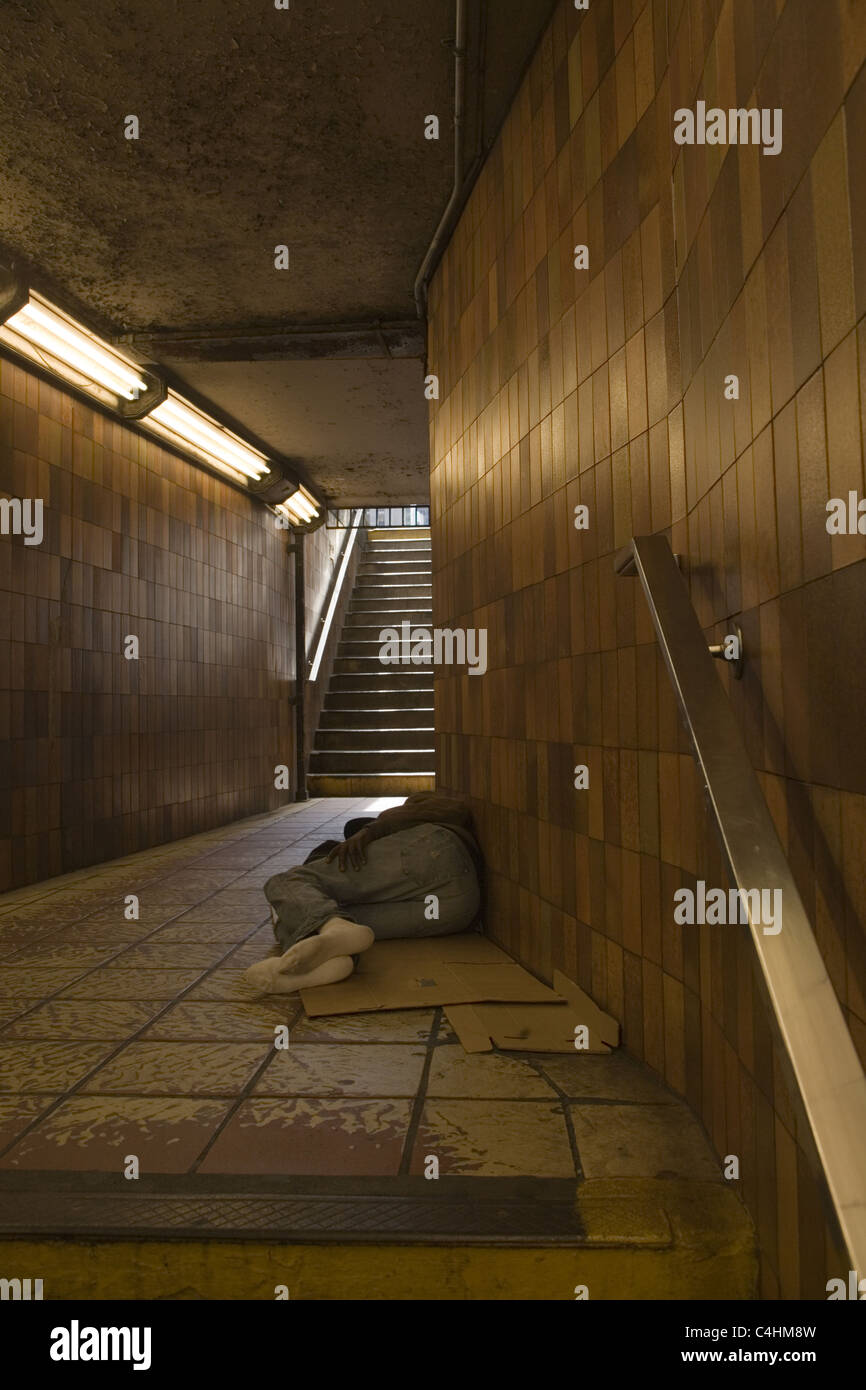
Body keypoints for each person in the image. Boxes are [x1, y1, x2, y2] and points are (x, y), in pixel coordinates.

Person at [243, 794, 482, 995]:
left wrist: (372, 829)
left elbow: (457, 809)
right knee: (332, 922)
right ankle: (334, 966)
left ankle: (329, 935)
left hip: (440, 855)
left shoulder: (395, 822)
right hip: (458, 910)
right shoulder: (365, 888)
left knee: (286, 882)